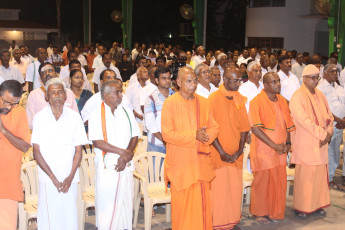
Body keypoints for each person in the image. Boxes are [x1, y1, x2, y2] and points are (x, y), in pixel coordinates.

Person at [161, 67, 219, 230]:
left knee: (202, 205)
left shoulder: (204, 102)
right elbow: (167, 134)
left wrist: (204, 137)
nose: (193, 84)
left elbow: (214, 127)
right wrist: (193, 135)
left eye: (194, 80)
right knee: (183, 207)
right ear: (178, 82)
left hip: (200, 163)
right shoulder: (170, 103)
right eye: (189, 81)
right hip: (181, 165)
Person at [32, 78, 88, 230]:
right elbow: (36, 152)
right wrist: (53, 178)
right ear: (46, 97)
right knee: (50, 218)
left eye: (60, 92)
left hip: (70, 177)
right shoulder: (39, 118)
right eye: (52, 92)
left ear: (65, 95)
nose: (56, 95)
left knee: (69, 216)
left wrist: (69, 178)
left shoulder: (75, 117)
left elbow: (78, 151)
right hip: (48, 178)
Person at [88, 80, 140, 229]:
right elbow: (98, 142)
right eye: (117, 92)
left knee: (125, 204)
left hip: (126, 164)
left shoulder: (126, 111)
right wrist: (122, 153)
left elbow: (134, 135)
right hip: (108, 168)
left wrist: (126, 154)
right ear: (106, 95)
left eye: (120, 91)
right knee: (108, 208)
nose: (120, 95)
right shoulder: (96, 114)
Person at [249, 72, 295, 223]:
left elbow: (287, 124)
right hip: (265, 150)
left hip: (280, 149)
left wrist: (288, 143)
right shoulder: (257, 101)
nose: (278, 84)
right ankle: (259, 213)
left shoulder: (282, 100)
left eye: (278, 81)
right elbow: (256, 129)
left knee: (278, 182)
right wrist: (274, 145)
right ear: (266, 85)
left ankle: (275, 211)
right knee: (263, 182)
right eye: (274, 82)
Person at [289, 64, 333, 218]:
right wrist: (323, 135)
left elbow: (329, 116)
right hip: (306, 142)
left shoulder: (320, 95)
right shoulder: (298, 96)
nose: (315, 80)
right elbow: (303, 121)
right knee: (306, 178)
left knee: (319, 177)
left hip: (321, 143)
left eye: (317, 77)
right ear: (305, 78)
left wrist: (328, 133)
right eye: (313, 78)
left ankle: (317, 205)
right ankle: (301, 207)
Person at [209, 67, 250, 230]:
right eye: (236, 80)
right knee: (219, 192)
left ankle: (231, 221)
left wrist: (240, 150)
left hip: (235, 155)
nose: (239, 83)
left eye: (240, 80)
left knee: (234, 190)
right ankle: (218, 224)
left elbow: (244, 127)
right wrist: (222, 152)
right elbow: (210, 128)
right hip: (218, 155)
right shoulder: (213, 99)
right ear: (225, 80)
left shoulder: (239, 99)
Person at [0, 80, 31, 230]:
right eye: (6, 102)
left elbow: (25, 146)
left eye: (14, 103)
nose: (9, 107)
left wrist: (4, 130)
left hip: (7, 183)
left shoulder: (19, 113)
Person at [317, 64, 345, 190]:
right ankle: (326, 178)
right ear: (325, 74)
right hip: (328, 126)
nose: (335, 74)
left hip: (339, 126)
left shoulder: (339, 88)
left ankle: (331, 176)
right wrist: (338, 120)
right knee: (327, 153)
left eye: (336, 72)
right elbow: (323, 108)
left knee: (335, 153)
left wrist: (343, 120)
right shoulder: (320, 88)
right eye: (332, 72)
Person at [26, 63, 78, 129]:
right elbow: (29, 122)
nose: (47, 74)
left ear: (56, 74)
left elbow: (76, 117)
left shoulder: (68, 92)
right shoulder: (34, 95)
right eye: (44, 72)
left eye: (50, 71)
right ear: (40, 77)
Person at [144, 67, 174, 153]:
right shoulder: (151, 99)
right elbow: (150, 125)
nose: (167, 81)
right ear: (157, 80)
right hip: (156, 144)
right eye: (164, 78)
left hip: (174, 143)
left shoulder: (176, 96)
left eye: (169, 78)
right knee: (155, 167)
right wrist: (164, 140)